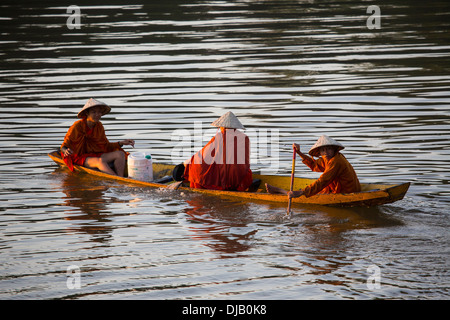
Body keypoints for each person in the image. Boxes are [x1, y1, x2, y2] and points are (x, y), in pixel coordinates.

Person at [266, 135, 361, 199]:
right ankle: (283, 191)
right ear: (320, 152)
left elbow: (323, 180)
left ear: (333, 149)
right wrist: (299, 153)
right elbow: (314, 165)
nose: (326, 152)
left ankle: (281, 191)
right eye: (323, 150)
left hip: (348, 192)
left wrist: (302, 192)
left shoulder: (336, 161)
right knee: (311, 191)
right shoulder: (327, 159)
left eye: (328, 149)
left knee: (305, 192)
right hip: (340, 190)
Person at [60, 98, 135, 176]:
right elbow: (63, 146)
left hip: (94, 154)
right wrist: (66, 151)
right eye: (94, 112)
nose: (97, 115)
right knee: (100, 161)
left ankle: (120, 177)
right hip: (78, 156)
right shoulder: (77, 126)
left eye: (99, 112)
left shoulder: (99, 126)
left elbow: (105, 146)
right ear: (87, 113)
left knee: (120, 154)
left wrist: (121, 143)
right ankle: (117, 179)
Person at [182, 111, 255, 191]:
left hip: (224, 180)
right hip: (238, 180)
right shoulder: (245, 138)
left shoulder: (219, 137)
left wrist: (189, 162)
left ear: (222, 127)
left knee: (196, 170)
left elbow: (203, 157)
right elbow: (245, 164)